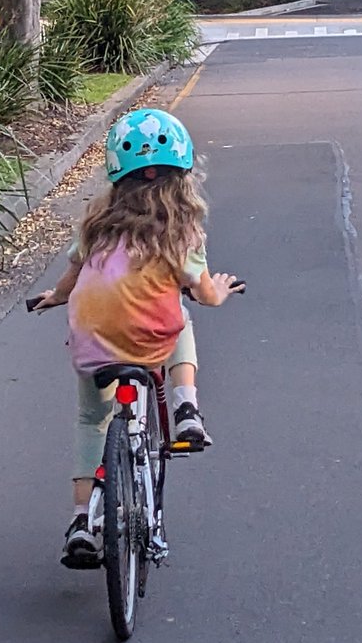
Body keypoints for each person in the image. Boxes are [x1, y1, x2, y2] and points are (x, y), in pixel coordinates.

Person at [32, 107, 241, 569]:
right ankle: (186, 406)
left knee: (92, 421)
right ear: (182, 174)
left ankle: (83, 521)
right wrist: (220, 292)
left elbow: (71, 274)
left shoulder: (97, 223)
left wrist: (54, 297)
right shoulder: (182, 232)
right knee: (182, 318)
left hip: (92, 340)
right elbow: (203, 293)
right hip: (150, 342)